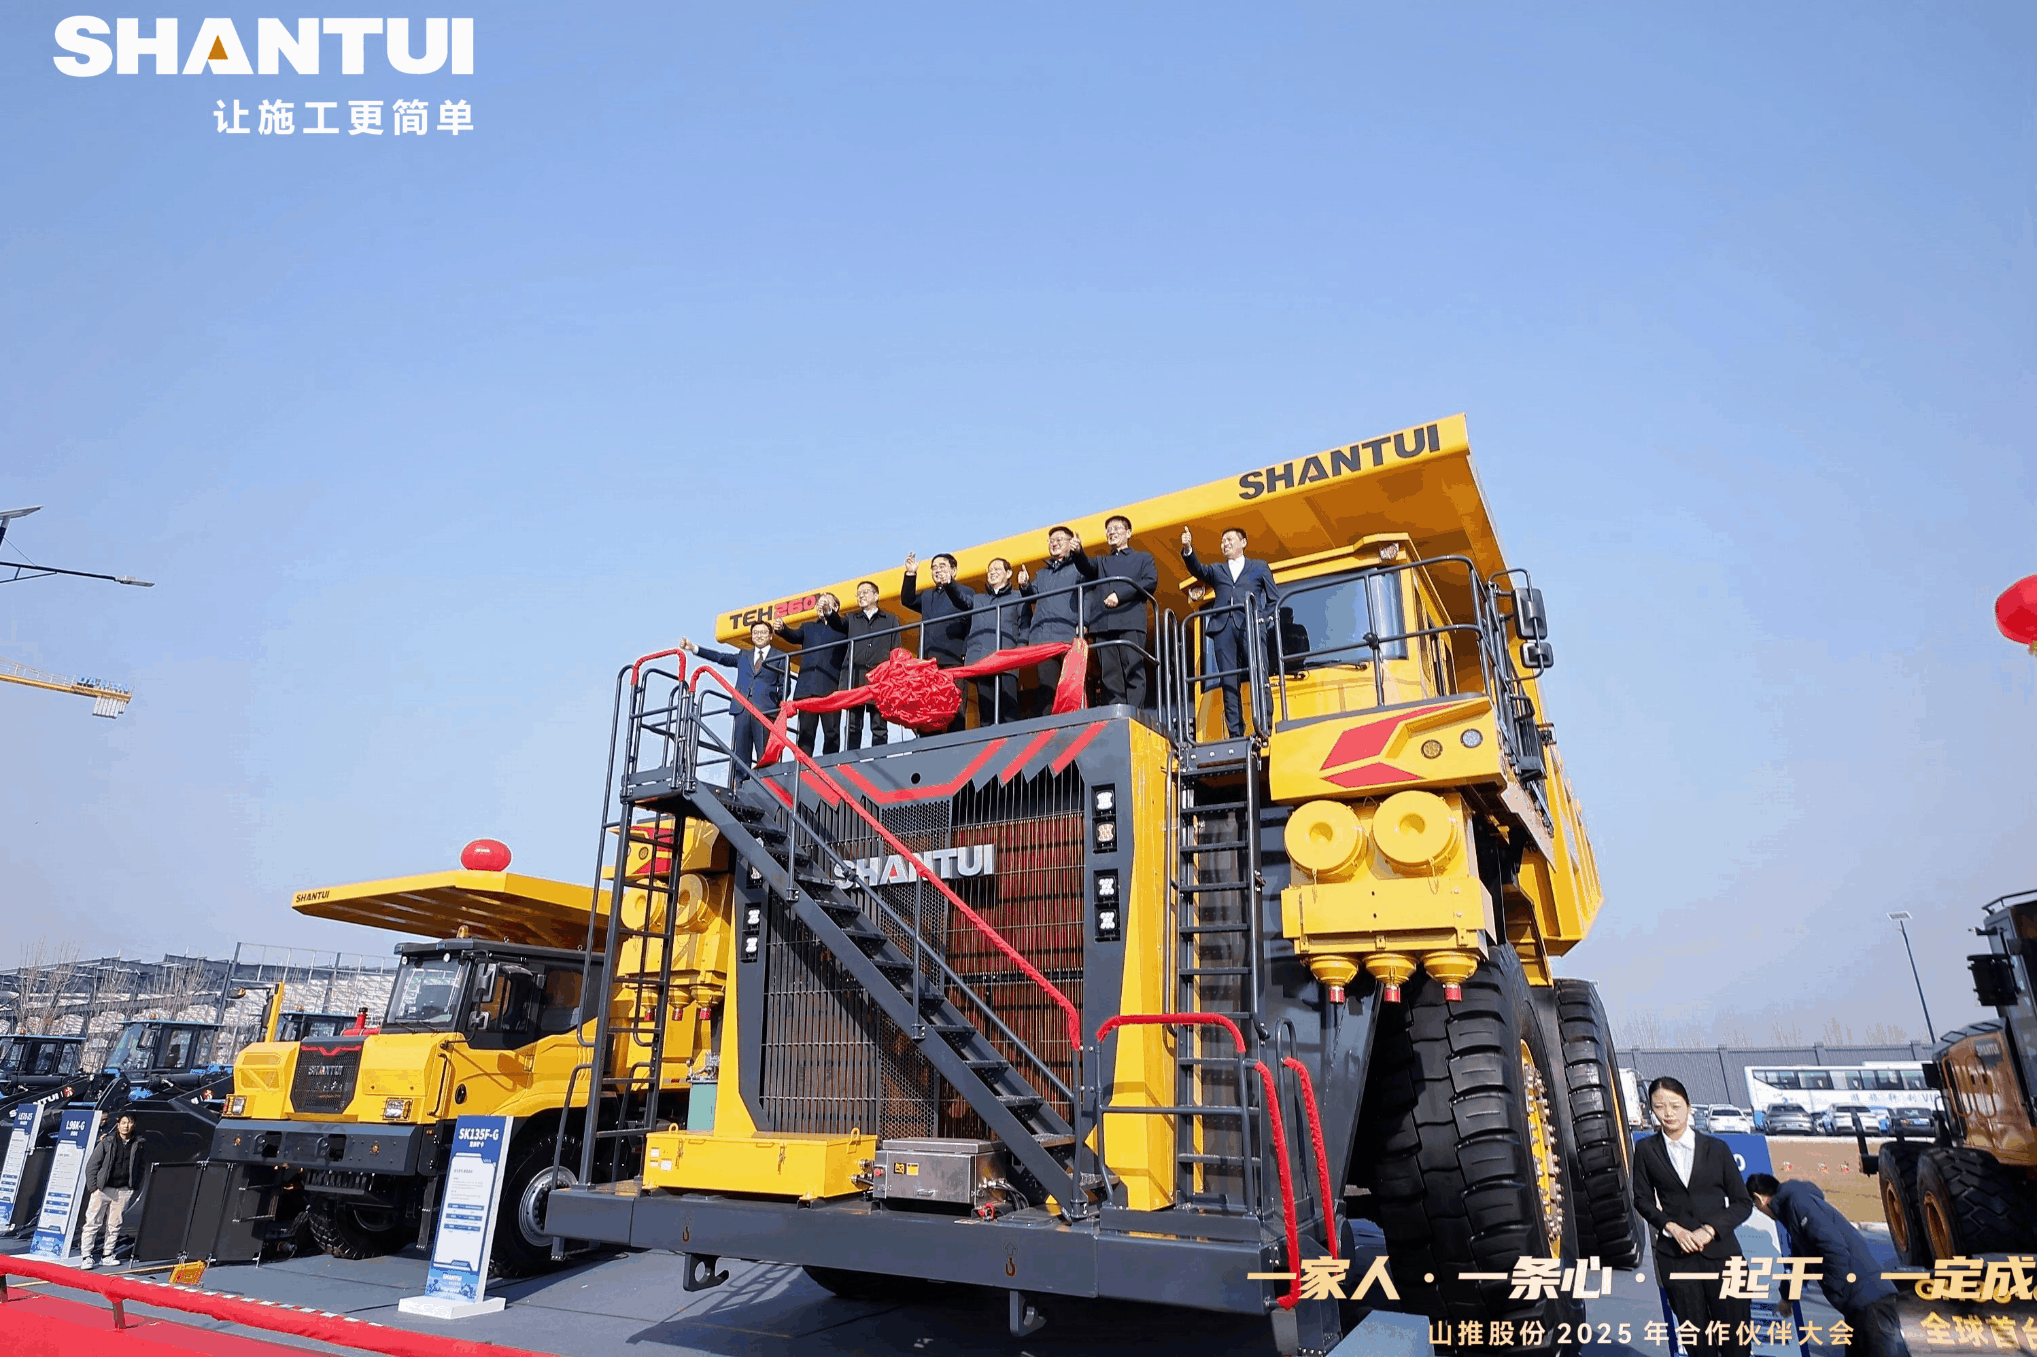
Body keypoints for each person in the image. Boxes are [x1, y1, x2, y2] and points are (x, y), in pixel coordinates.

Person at [1633, 1075, 1755, 1357]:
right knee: (1697, 1342)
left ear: (1688, 1106)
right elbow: (1642, 1199)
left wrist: (1710, 1229)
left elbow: (1742, 1203)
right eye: (1659, 1106)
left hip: (1723, 1256)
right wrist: (1672, 1228)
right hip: (1676, 1259)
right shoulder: (1647, 1150)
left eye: (1675, 1105)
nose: (1668, 1113)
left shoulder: (1717, 1149)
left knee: (1736, 1342)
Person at [1747, 1173, 1912, 1357]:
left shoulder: (1798, 1203)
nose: (1759, 1210)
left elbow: (1834, 1248)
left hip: (1868, 1301)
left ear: (1759, 1198)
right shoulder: (1793, 1209)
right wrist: (1788, 1297)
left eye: (1755, 1205)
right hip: (1858, 1305)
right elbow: (1801, 1263)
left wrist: (1836, 1288)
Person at [1181, 526, 1280, 738]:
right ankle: (1236, 733)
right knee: (1228, 682)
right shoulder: (1217, 569)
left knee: (1259, 674)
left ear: (1243, 542)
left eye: (1229, 539)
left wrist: (1261, 618)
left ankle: (1264, 726)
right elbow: (1198, 569)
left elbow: (1274, 599)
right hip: (1223, 629)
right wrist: (1188, 548)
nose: (1225, 543)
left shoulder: (1260, 567)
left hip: (1251, 627)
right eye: (1223, 541)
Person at [682, 622, 787, 775]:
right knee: (741, 752)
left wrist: (774, 705)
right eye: (756, 633)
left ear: (770, 636)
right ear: (752, 636)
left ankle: (767, 783)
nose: (759, 635)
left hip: (764, 710)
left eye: (763, 632)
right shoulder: (744, 654)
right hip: (741, 709)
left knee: (764, 752)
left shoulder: (780, 656)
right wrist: (694, 648)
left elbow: (785, 685)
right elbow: (721, 658)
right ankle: (740, 782)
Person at [1023, 526, 1098, 715]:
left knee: (1071, 685)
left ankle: (1076, 723)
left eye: (1059, 540)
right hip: (1043, 638)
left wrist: (1084, 623)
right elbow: (1032, 596)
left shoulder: (1079, 568)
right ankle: (1048, 726)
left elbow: (1088, 595)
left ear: (1070, 542)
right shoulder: (1042, 573)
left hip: (1068, 634)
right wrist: (1025, 585)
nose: (1054, 543)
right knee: (1046, 687)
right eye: (1051, 541)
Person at [900, 552, 974, 733]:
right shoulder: (927, 595)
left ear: (954, 571)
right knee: (929, 708)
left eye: (942, 566)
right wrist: (911, 574)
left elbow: (964, 603)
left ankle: (956, 745)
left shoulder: (965, 591)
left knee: (955, 707)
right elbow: (908, 600)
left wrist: (949, 585)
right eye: (934, 567)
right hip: (928, 662)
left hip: (953, 658)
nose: (937, 570)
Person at [1088, 515, 1157, 709]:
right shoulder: (1101, 561)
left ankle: (1134, 712)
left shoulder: (1143, 558)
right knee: (1110, 675)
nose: (1112, 532)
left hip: (1130, 621)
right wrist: (1077, 552)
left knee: (1133, 669)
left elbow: (1150, 581)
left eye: (1117, 528)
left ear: (1129, 533)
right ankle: (1117, 712)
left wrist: (1120, 595)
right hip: (1103, 624)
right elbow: (1085, 566)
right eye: (1108, 529)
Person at [773, 592, 850, 756]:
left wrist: (830, 613)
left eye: (825, 603)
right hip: (806, 688)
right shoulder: (808, 627)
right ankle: (802, 766)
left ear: (835, 607)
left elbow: (839, 622)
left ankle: (829, 767)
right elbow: (793, 636)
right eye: (819, 604)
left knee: (832, 732)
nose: (821, 607)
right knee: (805, 734)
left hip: (831, 688)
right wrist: (782, 629)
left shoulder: (843, 627)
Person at [963, 556, 1031, 725]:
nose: (992, 572)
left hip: (1007, 658)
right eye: (990, 570)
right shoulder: (978, 600)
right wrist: (949, 584)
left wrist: (1020, 648)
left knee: (1009, 708)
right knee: (986, 711)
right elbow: (960, 599)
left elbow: (1025, 624)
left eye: (997, 569)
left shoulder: (1018, 596)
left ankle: (1013, 739)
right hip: (983, 659)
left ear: (1008, 573)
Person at [78, 1111, 150, 1268]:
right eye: (123, 1123)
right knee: (92, 1223)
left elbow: (140, 1166)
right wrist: (94, 1187)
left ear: (134, 1125)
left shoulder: (139, 1143)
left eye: (129, 1123)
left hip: (123, 1190)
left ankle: (107, 1255)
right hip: (102, 1189)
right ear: (118, 1125)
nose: (126, 1126)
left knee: (115, 1224)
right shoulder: (108, 1141)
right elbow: (92, 1165)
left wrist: (133, 1187)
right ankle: (86, 1256)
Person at [842, 580, 900, 749]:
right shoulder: (850, 619)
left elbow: (896, 649)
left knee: (879, 725)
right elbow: (837, 623)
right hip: (855, 677)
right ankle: (850, 760)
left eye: (865, 592)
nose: (861, 596)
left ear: (876, 596)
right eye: (858, 593)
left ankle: (879, 758)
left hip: (881, 679)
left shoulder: (890, 620)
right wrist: (829, 612)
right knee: (853, 725)